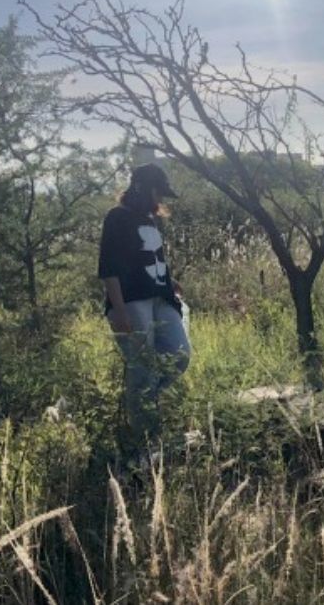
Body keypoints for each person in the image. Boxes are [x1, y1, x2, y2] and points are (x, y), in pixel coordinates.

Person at [98, 163, 191, 464]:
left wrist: (168, 278)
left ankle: (141, 402)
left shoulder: (151, 219)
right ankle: (144, 444)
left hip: (160, 297)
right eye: (157, 192)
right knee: (141, 370)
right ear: (142, 187)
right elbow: (108, 267)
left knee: (180, 355)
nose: (160, 199)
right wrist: (119, 309)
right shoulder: (117, 217)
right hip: (131, 301)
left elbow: (151, 258)